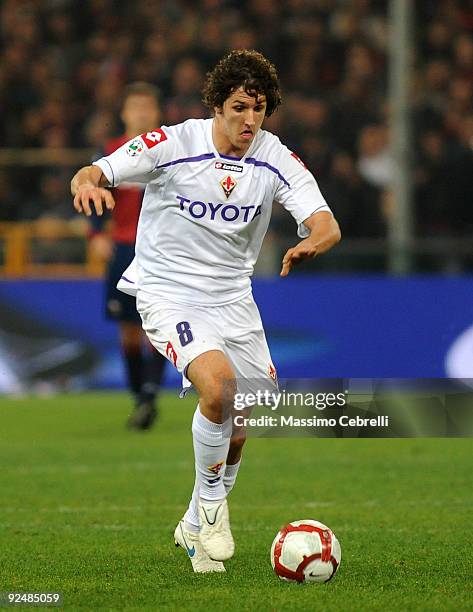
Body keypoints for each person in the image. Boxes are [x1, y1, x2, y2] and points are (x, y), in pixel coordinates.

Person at [71, 50, 341, 573]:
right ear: (217, 105)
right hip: (167, 291)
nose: (249, 120)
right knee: (218, 388)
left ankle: (194, 520)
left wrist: (315, 241)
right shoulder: (171, 143)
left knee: (243, 419)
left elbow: (325, 220)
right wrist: (86, 183)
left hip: (234, 299)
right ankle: (215, 510)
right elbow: (96, 171)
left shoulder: (274, 156)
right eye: (239, 107)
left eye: (259, 109)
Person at [88, 82, 167, 430]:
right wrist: (95, 235)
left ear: (156, 113)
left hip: (160, 249)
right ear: (124, 113)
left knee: (156, 326)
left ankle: (149, 398)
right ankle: (140, 397)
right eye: (134, 107)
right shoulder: (110, 152)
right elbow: (93, 192)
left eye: (147, 107)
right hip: (122, 246)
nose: (141, 113)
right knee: (129, 331)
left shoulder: (168, 151)